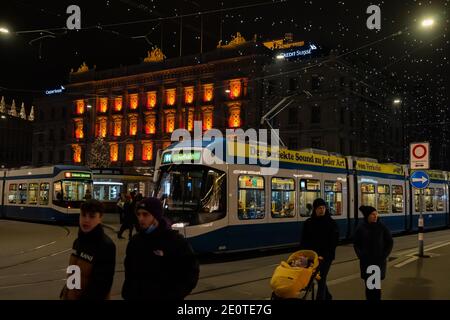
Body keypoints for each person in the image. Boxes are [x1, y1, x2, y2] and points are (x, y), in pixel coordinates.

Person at [121, 197, 199, 300]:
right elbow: (129, 272)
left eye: (145, 214)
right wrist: (128, 293)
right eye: (138, 214)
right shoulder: (135, 241)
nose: (140, 218)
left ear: (156, 216)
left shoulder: (175, 241)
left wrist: (175, 295)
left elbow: (191, 271)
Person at [60, 200, 116, 300]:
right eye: (83, 215)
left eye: (92, 216)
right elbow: (73, 271)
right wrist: (67, 291)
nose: (86, 220)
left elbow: (102, 286)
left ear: (100, 218)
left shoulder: (106, 246)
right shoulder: (77, 242)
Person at [299, 198, 339, 300]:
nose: (322, 210)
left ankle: (320, 298)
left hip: (326, 257)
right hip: (312, 256)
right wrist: (303, 254)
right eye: (319, 208)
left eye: (323, 208)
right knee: (317, 278)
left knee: (321, 277)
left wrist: (324, 255)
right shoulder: (308, 222)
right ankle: (328, 296)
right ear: (315, 209)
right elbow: (304, 240)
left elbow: (333, 242)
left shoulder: (331, 223)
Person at [353, 206, 393, 301]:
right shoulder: (361, 228)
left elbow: (389, 242)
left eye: (376, 214)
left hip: (378, 261)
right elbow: (356, 243)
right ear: (367, 216)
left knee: (376, 286)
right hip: (367, 261)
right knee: (369, 286)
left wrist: (384, 255)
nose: (375, 216)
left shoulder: (382, 227)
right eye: (372, 214)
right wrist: (361, 255)